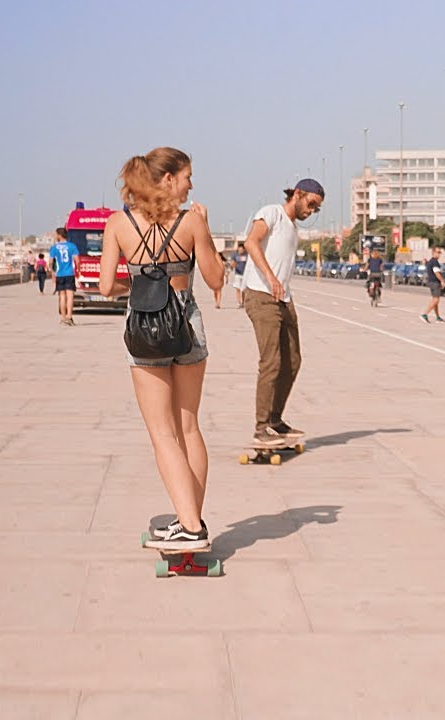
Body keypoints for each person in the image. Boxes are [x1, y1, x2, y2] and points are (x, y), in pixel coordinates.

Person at [100, 146, 225, 551]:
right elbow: (215, 278)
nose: (191, 184)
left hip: (144, 327)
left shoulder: (118, 224)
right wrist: (204, 230)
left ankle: (189, 526)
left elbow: (105, 288)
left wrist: (139, 288)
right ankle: (192, 520)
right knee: (188, 427)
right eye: (187, 176)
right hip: (187, 323)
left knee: (162, 433)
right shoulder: (191, 222)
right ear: (168, 178)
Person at [241, 178, 322, 448]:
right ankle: (260, 427)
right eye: (311, 203)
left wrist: (282, 287)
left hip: (283, 298)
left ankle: (275, 420)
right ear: (297, 194)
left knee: (293, 360)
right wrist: (271, 277)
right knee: (271, 361)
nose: (311, 211)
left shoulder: (293, 228)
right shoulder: (272, 213)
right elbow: (251, 243)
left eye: (316, 208)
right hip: (261, 293)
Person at [50, 227, 79, 326]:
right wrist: (78, 270)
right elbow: (77, 260)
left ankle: (63, 317)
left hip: (60, 274)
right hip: (70, 273)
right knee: (70, 296)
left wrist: (52, 272)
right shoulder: (72, 246)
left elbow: (50, 262)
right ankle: (69, 317)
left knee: (62, 296)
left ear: (59, 235)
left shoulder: (54, 248)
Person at [420, 247, 445, 323]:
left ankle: (438, 317)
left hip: (431, 282)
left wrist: (425, 262)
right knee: (436, 300)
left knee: (435, 300)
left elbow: (428, 266)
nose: (439, 254)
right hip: (435, 282)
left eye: (440, 252)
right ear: (433, 252)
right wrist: (442, 281)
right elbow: (436, 272)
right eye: (438, 252)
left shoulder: (431, 261)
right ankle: (424, 314)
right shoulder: (434, 262)